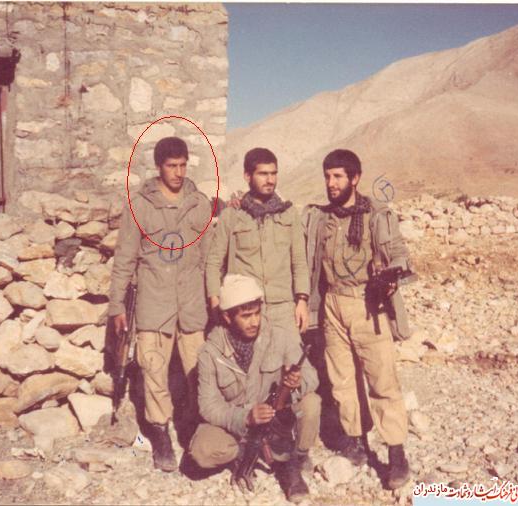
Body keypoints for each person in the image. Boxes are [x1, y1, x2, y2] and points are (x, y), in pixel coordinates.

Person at [303, 149, 413, 489]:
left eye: (338, 176)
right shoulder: (320, 218)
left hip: (367, 304)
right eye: (327, 176)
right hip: (332, 304)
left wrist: (391, 274)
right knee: (342, 380)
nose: (331, 183)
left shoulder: (377, 215)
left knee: (382, 379)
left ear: (355, 178)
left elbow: (399, 253)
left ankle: (396, 451)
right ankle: (355, 441)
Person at [108, 136, 212, 472]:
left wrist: (214, 297)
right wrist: (116, 306)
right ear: (158, 167)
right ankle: (161, 434)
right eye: (171, 166)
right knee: (153, 371)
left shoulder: (199, 204)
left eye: (183, 165)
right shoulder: (140, 205)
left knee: (199, 370)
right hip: (154, 303)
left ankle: (196, 429)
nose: (178, 173)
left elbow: (209, 258)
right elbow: (124, 258)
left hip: (192, 304)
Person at [189, 274, 321, 503]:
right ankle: (244, 455)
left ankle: (293, 461)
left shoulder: (279, 336)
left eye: (257, 313)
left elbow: (312, 377)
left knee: (311, 404)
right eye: (246, 316)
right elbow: (208, 405)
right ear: (227, 317)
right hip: (239, 427)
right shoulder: (210, 353)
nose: (254, 322)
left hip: (277, 421)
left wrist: (296, 383)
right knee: (202, 450)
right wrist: (245, 417)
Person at [205, 148, 310, 345]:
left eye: (273, 173)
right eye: (263, 174)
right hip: (245, 310)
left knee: (292, 362)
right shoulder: (232, 216)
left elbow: (299, 262)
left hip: (283, 309)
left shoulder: (289, 214)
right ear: (247, 176)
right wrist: (215, 300)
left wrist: (302, 301)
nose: (270, 180)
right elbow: (214, 262)